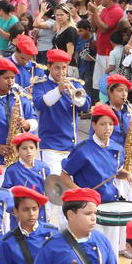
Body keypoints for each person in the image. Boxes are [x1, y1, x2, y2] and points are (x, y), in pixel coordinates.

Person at [61, 104, 132, 252]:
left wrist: (128, 174)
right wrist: (81, 193)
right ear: (93, 125)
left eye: (111, 124)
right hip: (89, 208)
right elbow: (65, 175)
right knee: (91, 248)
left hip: (111, 206)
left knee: (110, 248)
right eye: (103, 124)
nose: (108, 128)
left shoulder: (117, 148)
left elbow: (115, 172)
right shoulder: (82, 149)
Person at [32, 48, 90, 190]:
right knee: (56, 190)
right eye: (57, 68)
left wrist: (73, 95)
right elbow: (40, 103)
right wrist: (58, 90)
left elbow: (86, 105)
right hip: (51, 145)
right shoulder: (41, 85)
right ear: (49, 67)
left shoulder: (75, 84)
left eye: (64, 68)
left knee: (72, 188)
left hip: (72, 144)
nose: (61, 72)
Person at [89, 0, 124, 95]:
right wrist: (93, 14)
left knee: (109, 84)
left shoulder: (116, 10)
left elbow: (104, 28)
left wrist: (95, 12)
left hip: (109, 52)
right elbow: (95, 27)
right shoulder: (104, 10)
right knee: (99, 84)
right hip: (101, 51)